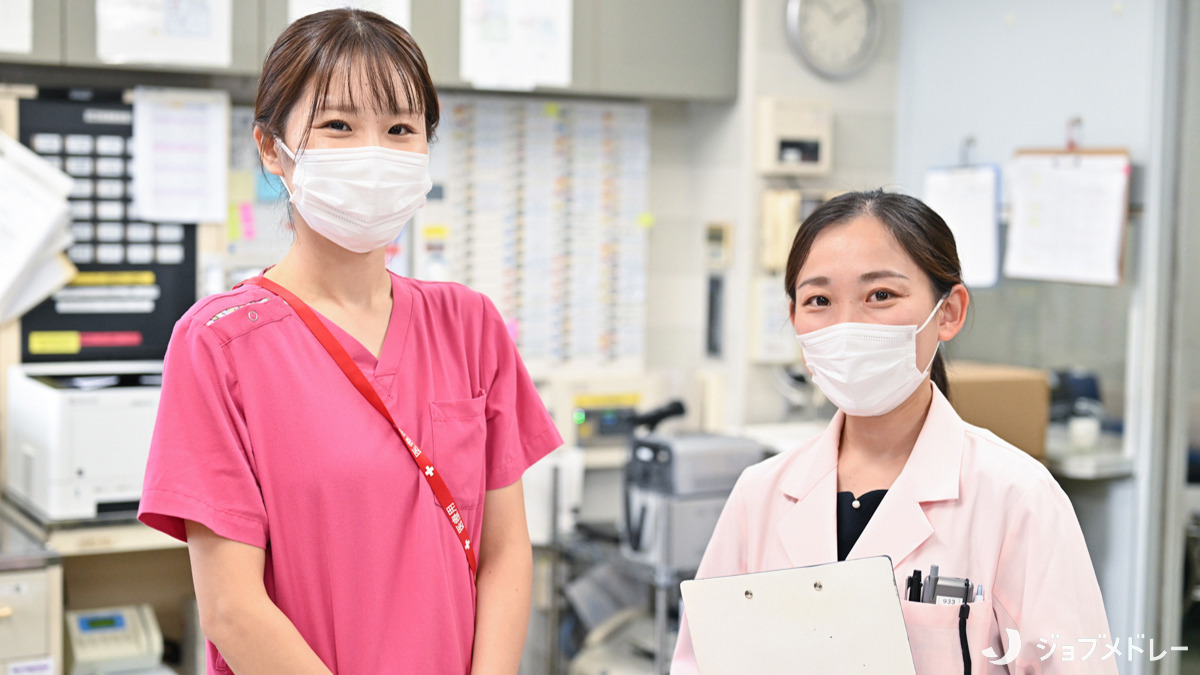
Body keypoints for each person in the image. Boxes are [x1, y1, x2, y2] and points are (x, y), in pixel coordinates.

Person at [138, 9, 562, 674]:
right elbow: (230, 607)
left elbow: (505, 551)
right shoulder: (219, 345)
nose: (376, 151)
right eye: (339, 125)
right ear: (273, 148)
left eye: (401, 129)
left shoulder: (469, 325)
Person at [671, 190, 1114, 674]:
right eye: (818, 299)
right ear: (796, 320)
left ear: (948, 312)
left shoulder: (1018, 498)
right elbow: (702, 661)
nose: (846, 325)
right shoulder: (760, 494)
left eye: (880, 295)